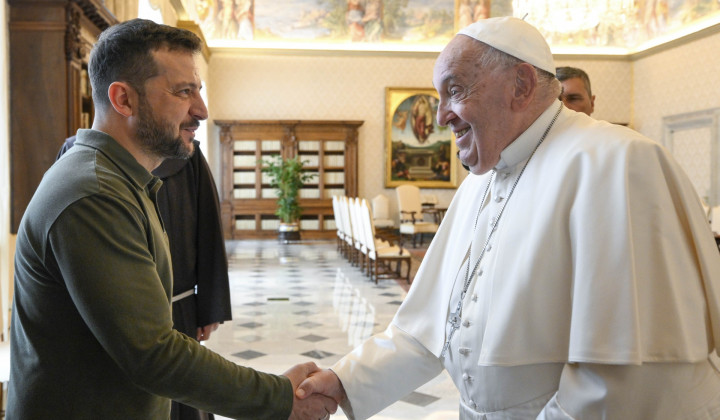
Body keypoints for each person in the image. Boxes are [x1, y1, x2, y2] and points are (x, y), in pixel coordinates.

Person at [296, 16, 720, 419]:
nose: (441, 115)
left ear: (520, 84)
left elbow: (625, 375)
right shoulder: (480, 182)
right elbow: (427, 328)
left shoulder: (616, 163)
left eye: (455, 90)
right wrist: (343, 381)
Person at [9, 18, 336, 419]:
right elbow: (154, 353)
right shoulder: (94, 194)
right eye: (183, 92)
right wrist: (277, 397)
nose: (201, 109)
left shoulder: (121, 181)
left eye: (197, 90)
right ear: (124, 100)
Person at [57, 136, 233, 420]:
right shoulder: (76, 153)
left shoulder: (188, 154)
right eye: (183, 92)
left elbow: (208, 227)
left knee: (182, 390)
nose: (197, 110)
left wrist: (210, 307)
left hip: (179, 305)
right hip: (109, 309)